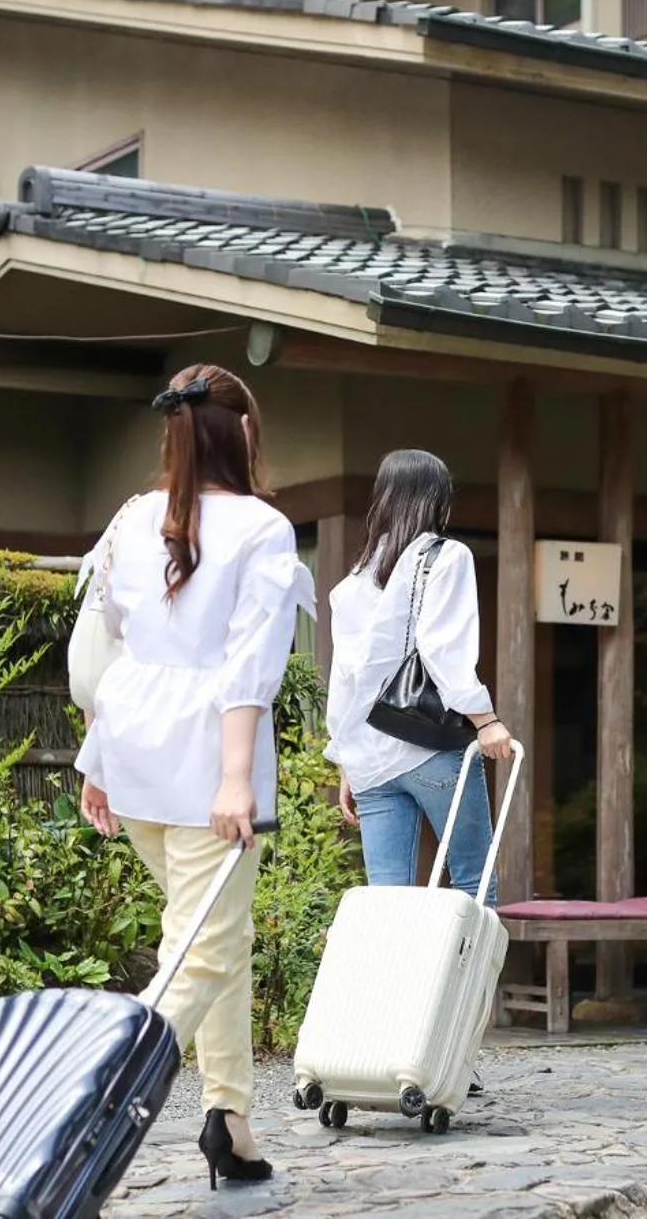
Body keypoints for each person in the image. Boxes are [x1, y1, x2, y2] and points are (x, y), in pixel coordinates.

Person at [74, 363, 314, 1191]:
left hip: (134, 752)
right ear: (243, 431)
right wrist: (236, 778)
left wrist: (96, 758)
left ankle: (230, 1121)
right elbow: (249, 668)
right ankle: (105, 1086)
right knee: (204, 950)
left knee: (215, 936)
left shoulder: (132, 517)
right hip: (209, 763)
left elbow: (110, 642)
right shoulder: (262, 528)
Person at [324, 449, 517, 901]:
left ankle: (392, 957)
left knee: (388, 901)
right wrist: (486, 720)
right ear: (437, 501)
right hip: (429, 748)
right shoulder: (446, 556)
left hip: (369, 760)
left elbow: (345, 678)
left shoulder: (353, 583)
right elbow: (442, 647)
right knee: (473, 884)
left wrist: (346, 762)